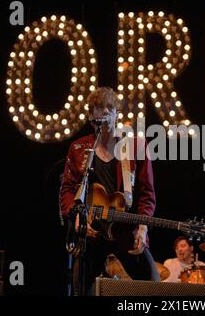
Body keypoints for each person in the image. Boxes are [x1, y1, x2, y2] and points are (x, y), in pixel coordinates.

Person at [59, 87, 160, 295]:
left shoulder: (135, 146)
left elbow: (146, 193)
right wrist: (76, 217)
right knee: (82, 291)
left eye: (109, 108)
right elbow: (68, 188)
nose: (104, 113)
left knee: (151, 284)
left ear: (117, 115)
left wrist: (143, 227)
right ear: (90, 117)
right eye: (98, 109)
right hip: (91, 235)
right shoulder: (79, 148)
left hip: (125, 232)